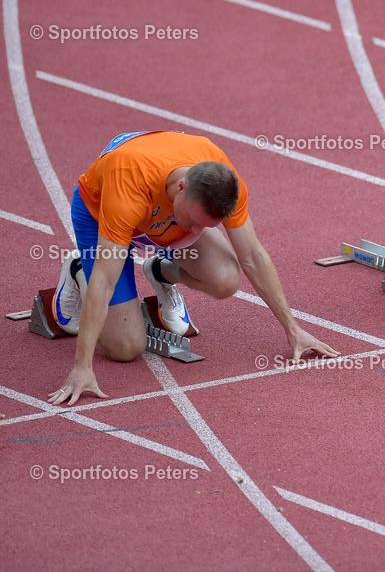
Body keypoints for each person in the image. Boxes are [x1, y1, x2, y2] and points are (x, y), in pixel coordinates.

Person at [49, 130, 340, 406]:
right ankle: (78, 268)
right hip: (102, 215)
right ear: (181, 187)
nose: (197, 231)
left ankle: (161, 270)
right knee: (126, 349)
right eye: (194, 221)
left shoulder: (223, 181)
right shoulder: (129, 182)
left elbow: (252, 255)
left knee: (226, 280)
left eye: (205, 226)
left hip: (163, 217)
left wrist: (293, 329)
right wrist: (81, 367)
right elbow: (104, 281)